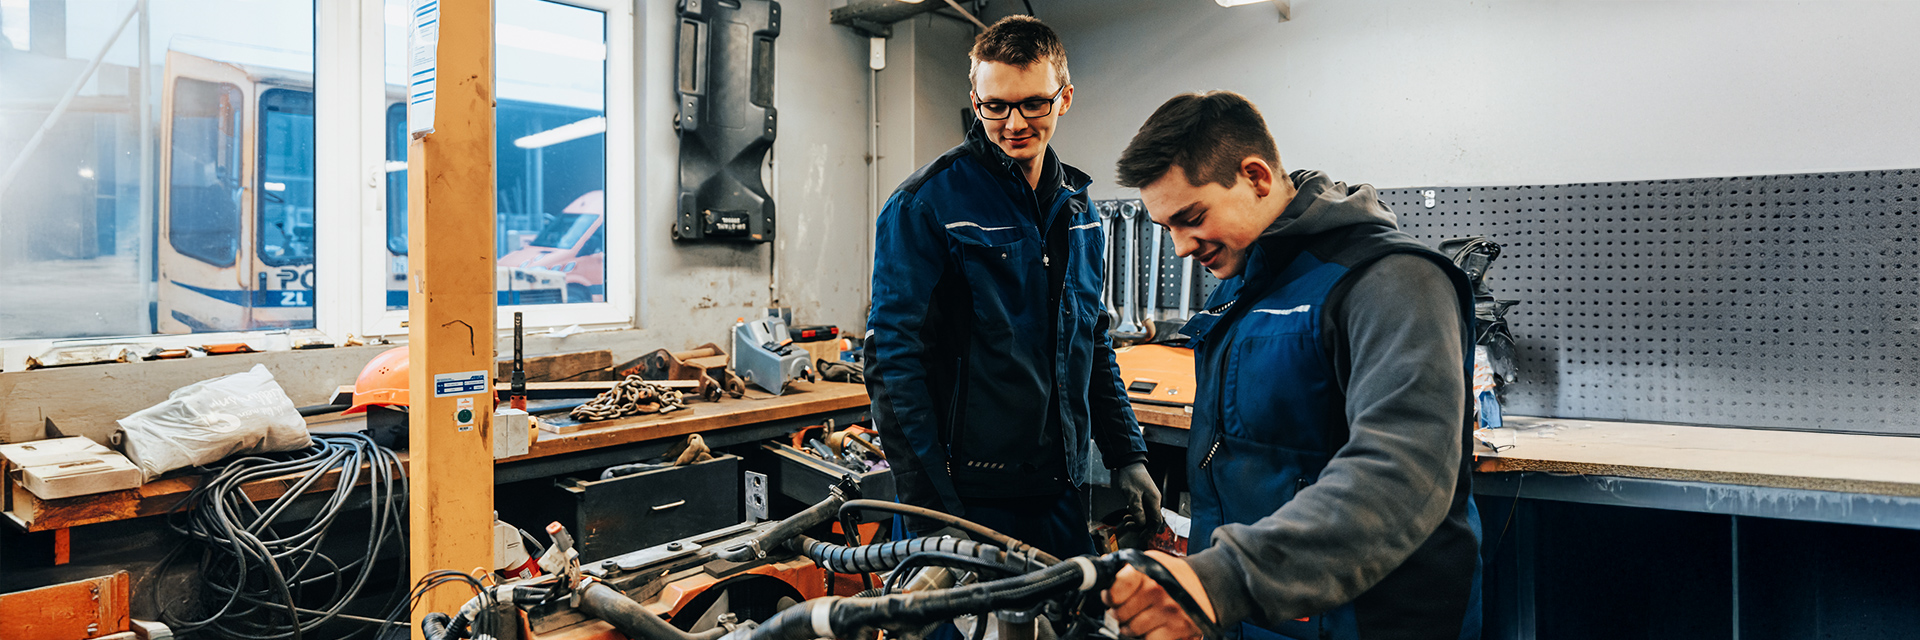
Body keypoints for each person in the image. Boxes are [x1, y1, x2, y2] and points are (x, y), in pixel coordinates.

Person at [1101, 91, 1483, 640]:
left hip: (1370, 621)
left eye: (1191, 217)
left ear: (1256, 177)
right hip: (1261, 618)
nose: (1181, 247)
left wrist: (1219, 581)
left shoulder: (1393, 281)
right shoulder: (1239, 291)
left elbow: (1400, 474)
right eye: (1167, 228)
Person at [864, 15, 1160, 561]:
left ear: (1064, 97)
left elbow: (1089, 344)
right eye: (993, 106)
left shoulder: (1079, 211)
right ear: (974, 99)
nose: (1013, 122)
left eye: (1032, 104)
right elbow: (892, 359)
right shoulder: (926, 206)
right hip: (964, 499)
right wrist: (929, 507)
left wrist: (1127, 453)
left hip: (1059, 491)